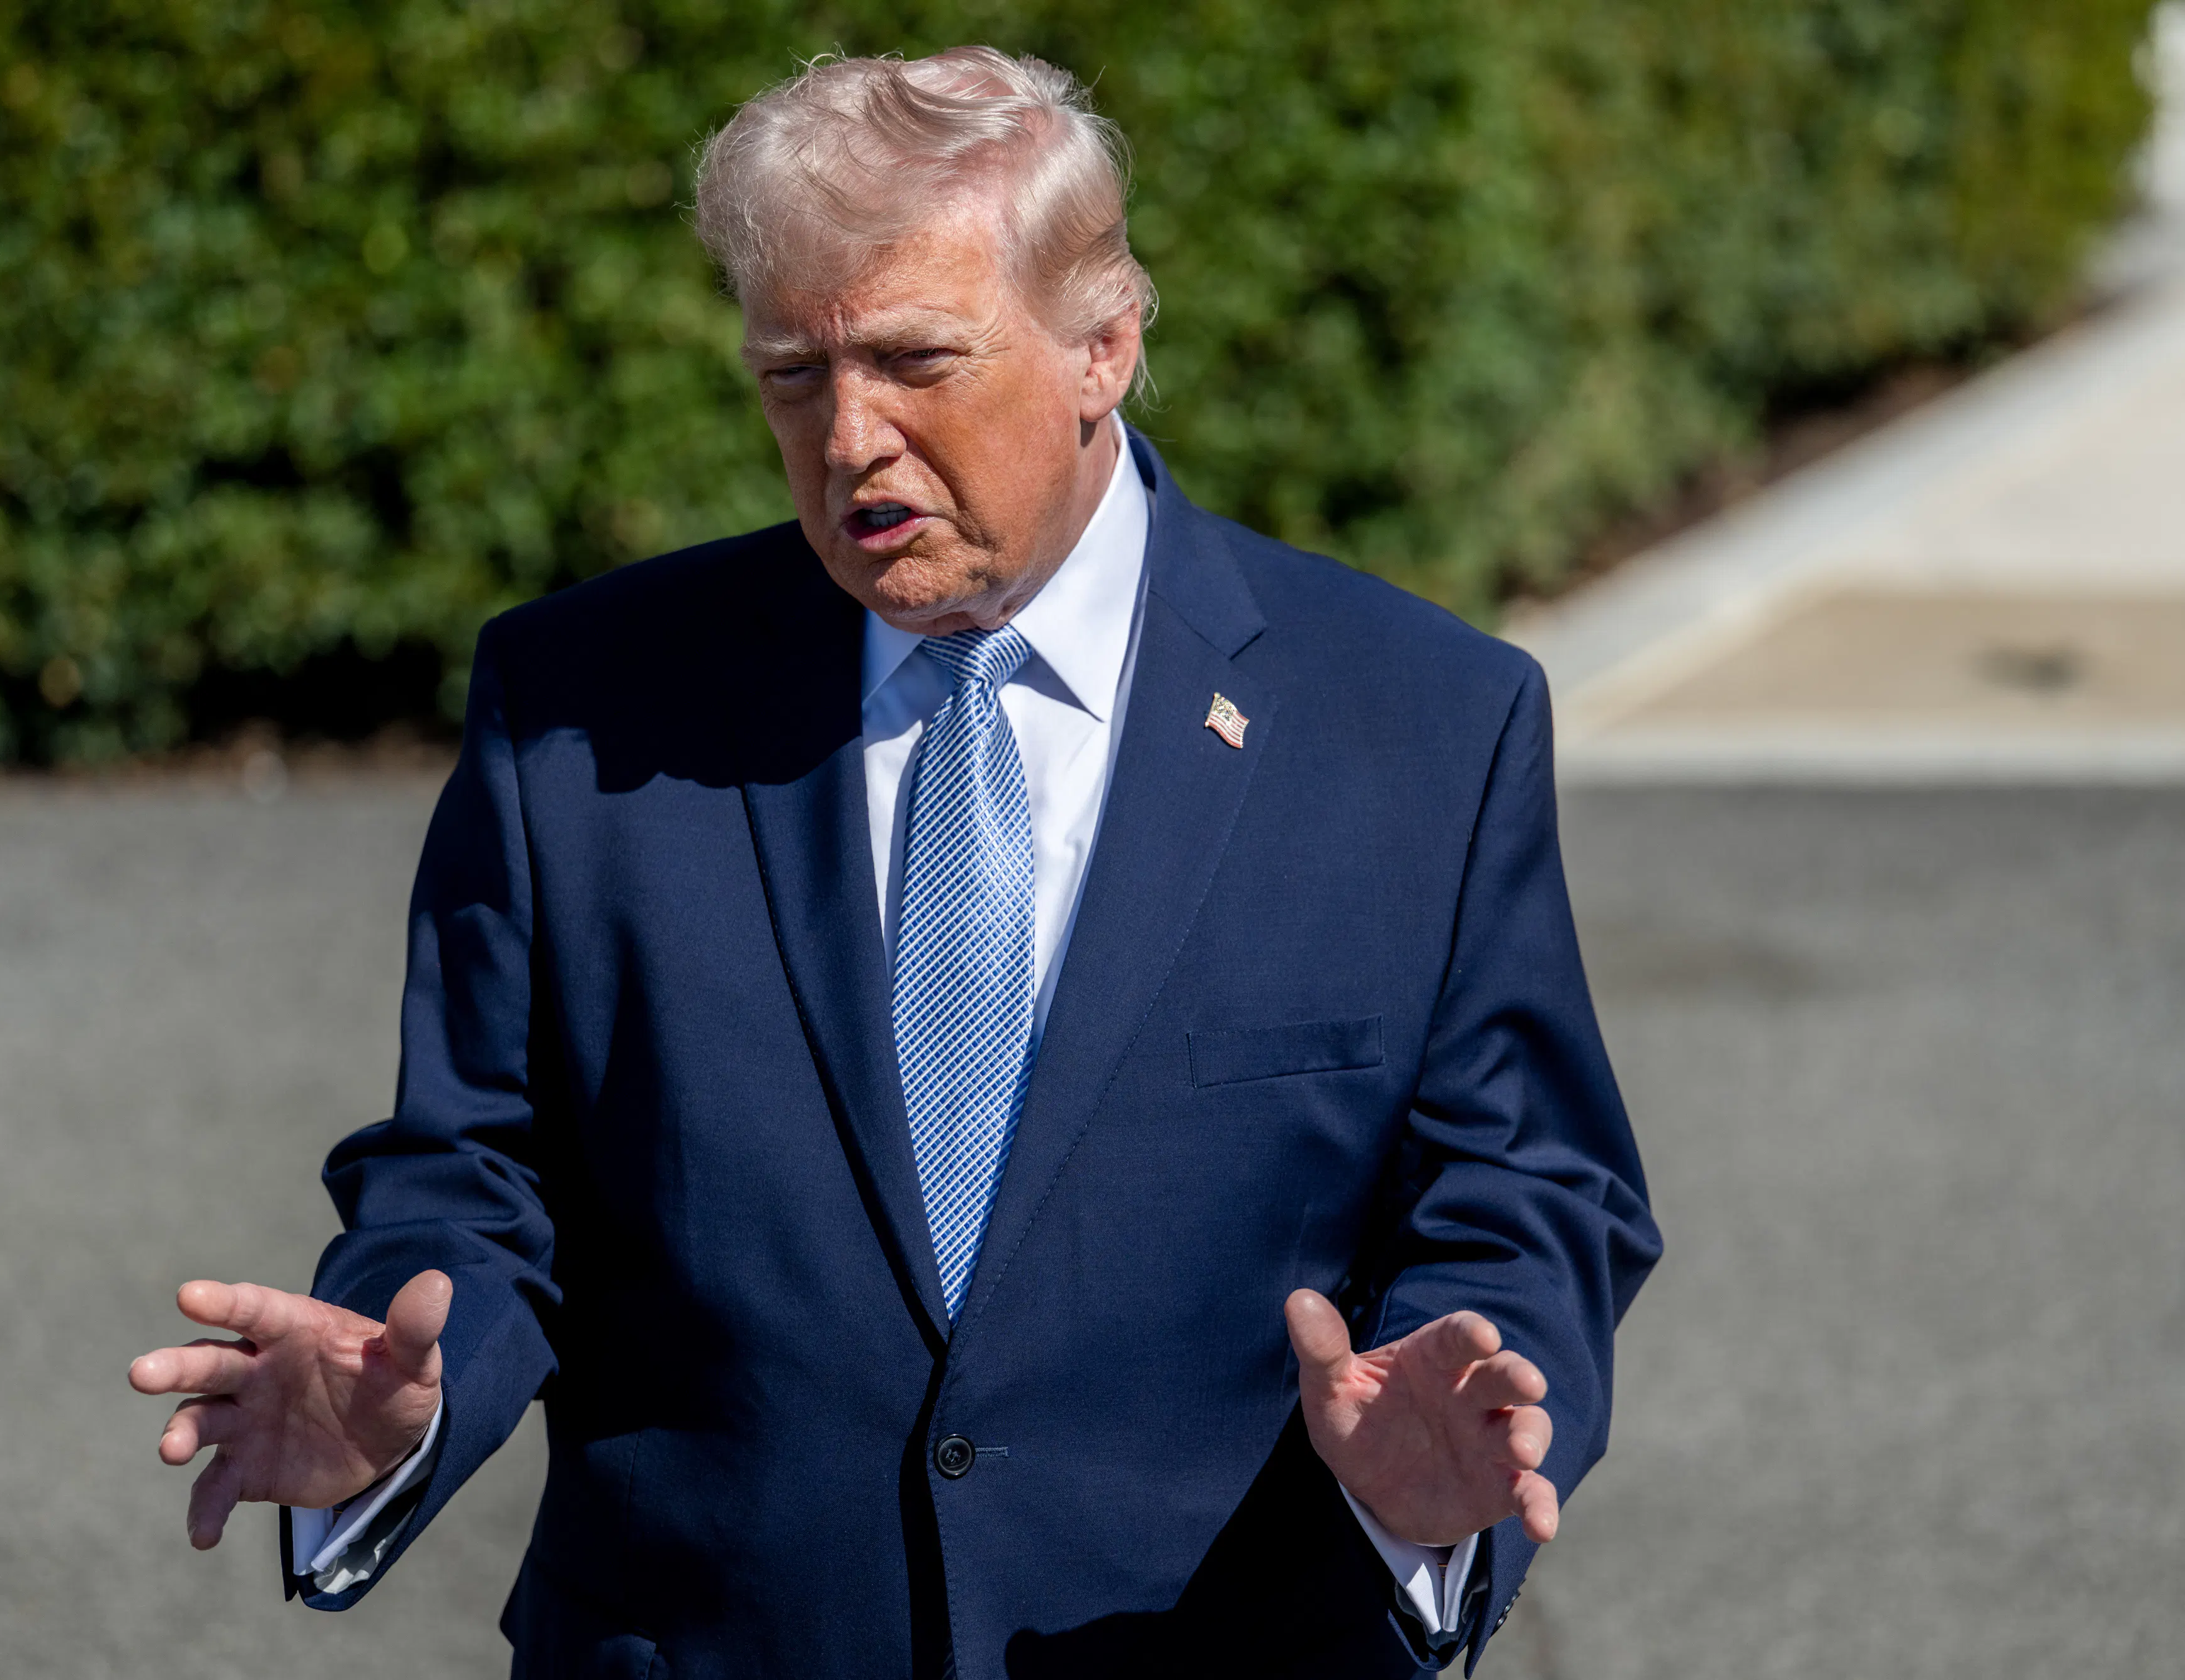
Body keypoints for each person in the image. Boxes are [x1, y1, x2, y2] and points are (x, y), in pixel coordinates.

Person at [128, 46, 1660, 1679]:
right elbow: (479, 1166)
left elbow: (1526, 1179)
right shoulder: (582, 709)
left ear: (1106, 347)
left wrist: (1462, 1418)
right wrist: (400, 1383)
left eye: (915, 361)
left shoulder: (1414, 720)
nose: (849, 438)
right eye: (793, 374)